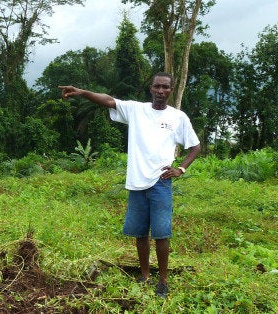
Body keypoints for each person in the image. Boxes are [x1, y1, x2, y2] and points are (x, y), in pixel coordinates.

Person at [58, 72, 201, 298]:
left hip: (160, 183)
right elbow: (108, 100)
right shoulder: (136, 110)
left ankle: (162, 281)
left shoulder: (178, 117)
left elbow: (195, 146)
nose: (161, 91)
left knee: (161, 234)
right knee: (140, 234)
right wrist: (83, 93)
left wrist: (180, 169)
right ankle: (144, 276)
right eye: (157, 87)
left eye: (165, 87)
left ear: (171, 91)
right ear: (151, 89)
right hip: (136, 184)